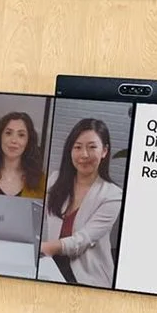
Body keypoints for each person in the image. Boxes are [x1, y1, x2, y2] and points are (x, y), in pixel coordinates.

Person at [41, 117, 124, 287]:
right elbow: (42, 220)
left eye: (92, 147)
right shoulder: (55, 179)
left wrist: (48, 247)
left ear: (104, 151)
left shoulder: (113, 194)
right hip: (49, 264)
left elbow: (83, 239)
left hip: (86, 275)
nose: (84, 154)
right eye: (78, 147)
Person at [0, 110, 44, 199]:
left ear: (28, 141)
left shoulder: (41, 180)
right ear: (0, 137)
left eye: (21, 135)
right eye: (8, 133)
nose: (14, 140)